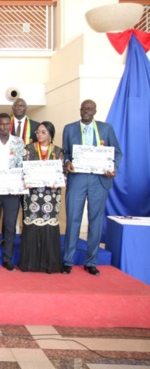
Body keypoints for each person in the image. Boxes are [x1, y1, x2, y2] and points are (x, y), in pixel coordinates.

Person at [62, 100, 122, 276]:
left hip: (99, 179)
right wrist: (67, 162)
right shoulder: (70, 128)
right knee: (73, 219)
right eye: (83, 108)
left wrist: (114, 167)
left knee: (95, 221)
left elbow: (117, 152)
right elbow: (65, 152)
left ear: (95, 111)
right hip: (77, 178)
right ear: (80, 110)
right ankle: (67, 261)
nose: (86, 111)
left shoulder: (106, 128)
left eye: (89, 108)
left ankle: (91, 262)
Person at [19, 121, 64, 274]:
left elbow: (62, 173)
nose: (39, 134)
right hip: (32, 195)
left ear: (51, 134)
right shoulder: (28, 149)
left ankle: (48, 263)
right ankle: (30, 263)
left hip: (51, 195)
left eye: (43, 132)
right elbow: (22, 169)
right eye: (38, 132)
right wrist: (24, 180)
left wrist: (58, 182)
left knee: (48, 227)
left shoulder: (58, 151)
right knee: (32, 225)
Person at [0, 113, 25, 271]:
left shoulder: (18, 141)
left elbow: (21, 164)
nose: (5, 127)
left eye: (7, 124)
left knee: (10, 226)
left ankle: (8, 259)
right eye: (1, 124)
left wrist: (21, 185)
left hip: (12, 190)